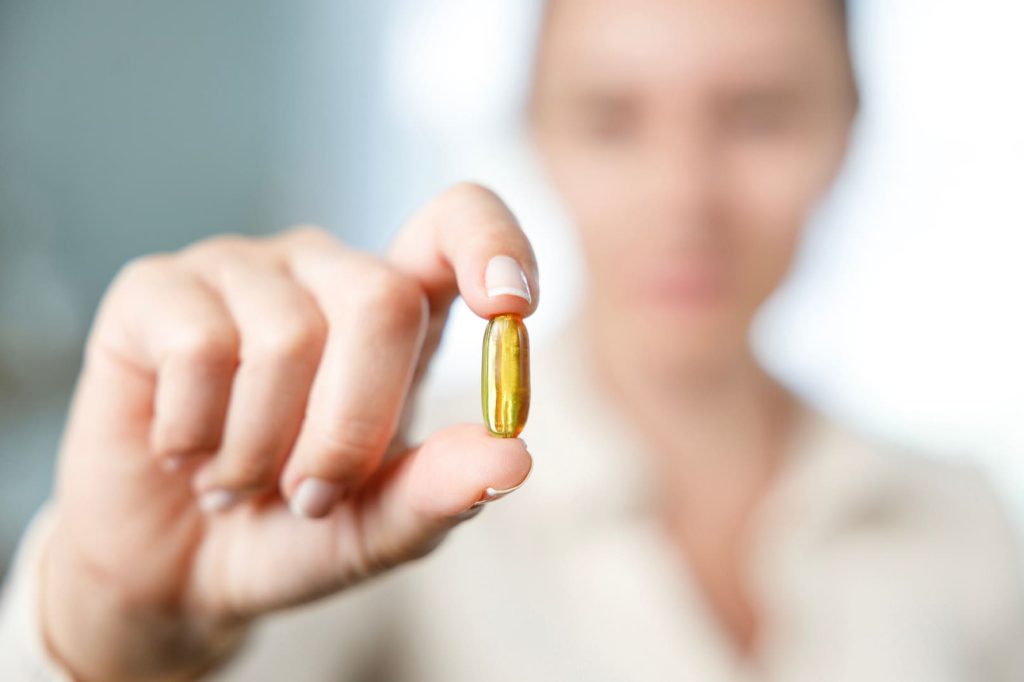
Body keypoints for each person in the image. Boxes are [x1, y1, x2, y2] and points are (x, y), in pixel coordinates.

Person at [2, 0, 1022, 679]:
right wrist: (109, 626)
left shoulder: (964, 522)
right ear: (535, 129)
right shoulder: (375, 487)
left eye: (758, 116)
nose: (684, 197)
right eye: (611, 117)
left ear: (848, 127)